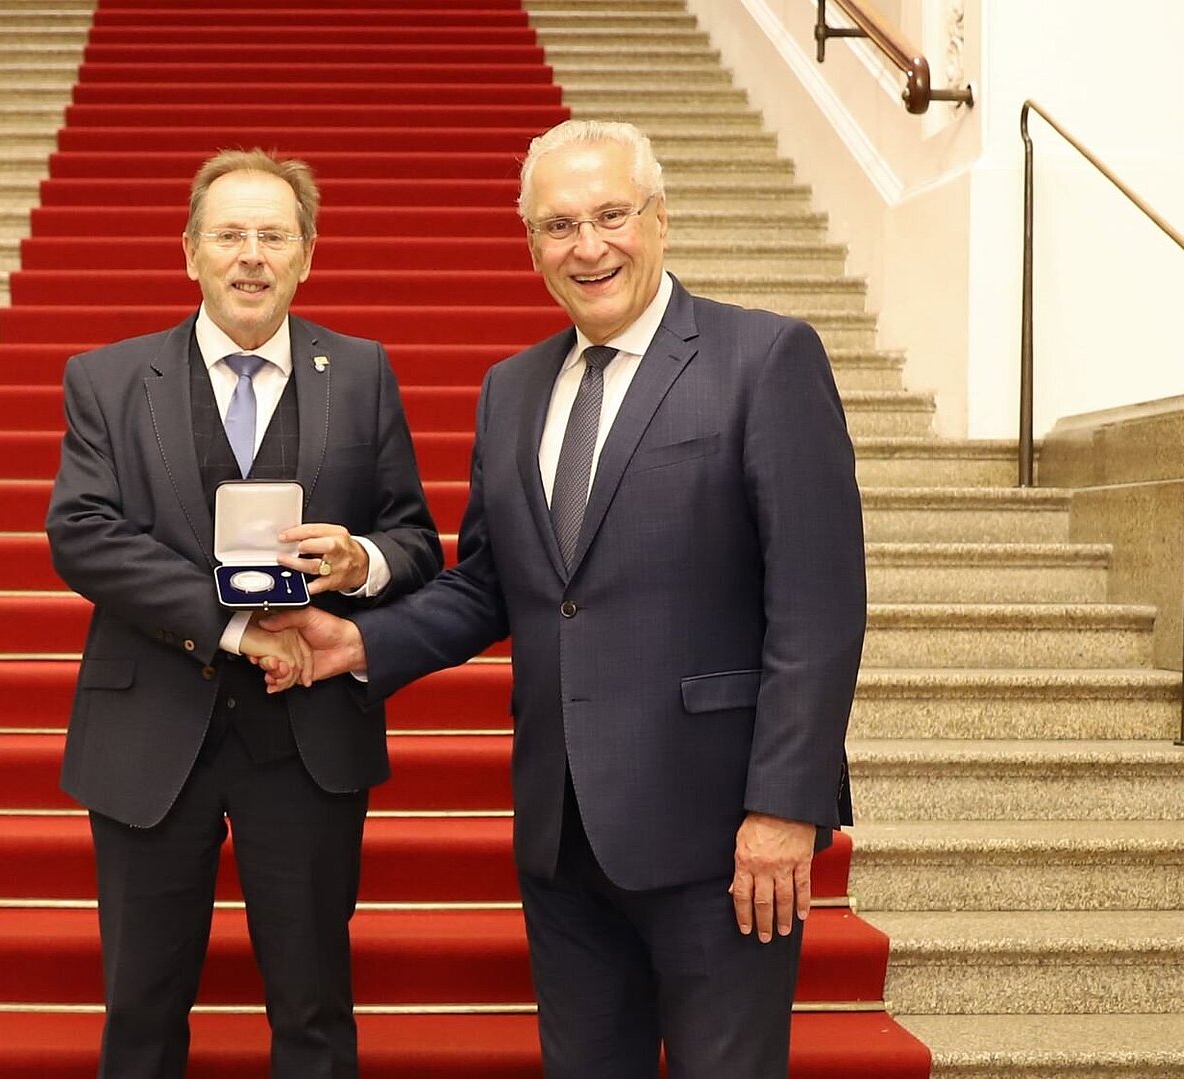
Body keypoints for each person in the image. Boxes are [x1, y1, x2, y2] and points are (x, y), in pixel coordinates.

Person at [262, 120, 866, 1078]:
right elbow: (492, 583)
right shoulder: (512, 388)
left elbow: (819, 606)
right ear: (531, 244)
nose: (588, 247)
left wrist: (785, 806)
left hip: (721, 832)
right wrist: (359, 643)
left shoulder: (765, 361)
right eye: (558, 225)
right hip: (561, 832)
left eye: (611, 215)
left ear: (659, 220)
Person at [45, 148, 441, 1079]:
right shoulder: (105, 379)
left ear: (306, 254)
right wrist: (232, 627)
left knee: (313, 1010)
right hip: (148, 736)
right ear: (190, 252)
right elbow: (83, 535)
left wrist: (361, 562)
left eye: (273, 235)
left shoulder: (364, 371)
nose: (251, 256)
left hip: (307, 740)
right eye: (230, 235)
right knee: (141, 1012)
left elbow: (416, 539)